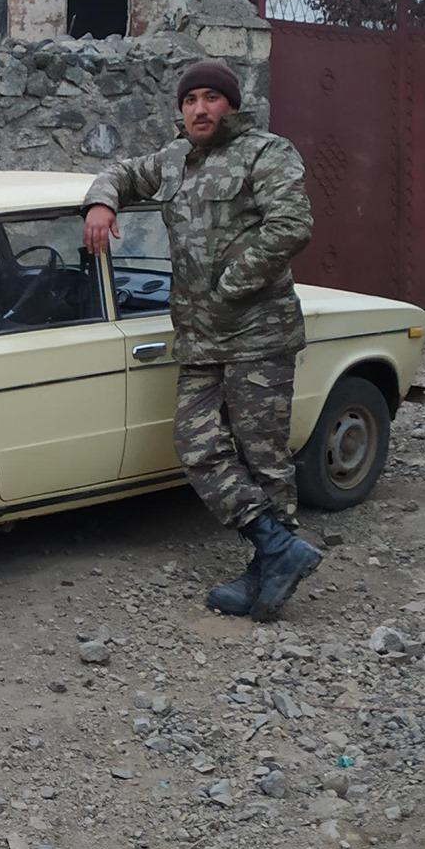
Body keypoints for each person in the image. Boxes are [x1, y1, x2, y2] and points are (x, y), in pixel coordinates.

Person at [81, 60, 322, 622]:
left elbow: (291, 225)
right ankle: (278, 548)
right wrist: (101, 201)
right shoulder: (171, 159)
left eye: (212, 98)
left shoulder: (267, 153)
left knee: (263, 456)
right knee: (196, 446)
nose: (200, 109)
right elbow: (120, 170)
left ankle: (269, 575)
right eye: (191, 100)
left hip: (258, 334)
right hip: (199, 339)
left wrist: (228, 286)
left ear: (231, 106)